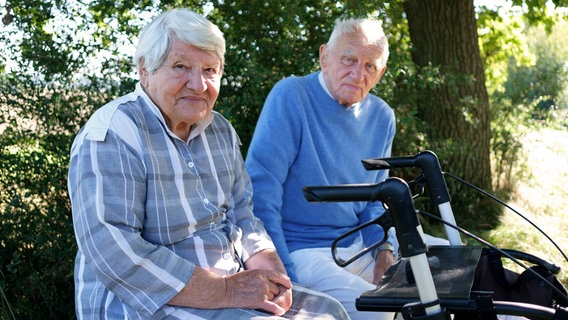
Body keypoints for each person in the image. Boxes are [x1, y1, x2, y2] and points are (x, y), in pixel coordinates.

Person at [68, 8, 349, 320]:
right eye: (181, 67)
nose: (199, 85)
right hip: (146, 303)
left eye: (210, 70)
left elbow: (244, 213)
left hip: (231, 288)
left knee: (329, 311)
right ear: (144, 69)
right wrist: (226, 290)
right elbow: (112, 249)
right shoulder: (113, 133)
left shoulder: (220, 131)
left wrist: (267, 264)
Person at [245, 17, 399, 320]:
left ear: (380, 73)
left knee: (455, 269)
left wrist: (384, 249)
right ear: (324, 57)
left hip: (360, 245)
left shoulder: (382, 116)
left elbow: (376, 200)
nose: (358, 74)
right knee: (380, 313)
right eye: (349, 60)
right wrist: (282, 272)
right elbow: (261, 194)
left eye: (370, 66)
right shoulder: (291, 96)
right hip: (303, 251)